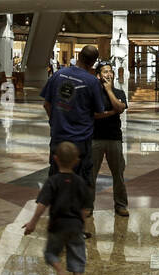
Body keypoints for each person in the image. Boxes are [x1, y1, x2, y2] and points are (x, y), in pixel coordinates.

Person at [22, 141, 93, 275]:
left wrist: (32, 223)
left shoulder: (52, 182)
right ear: (77, 161)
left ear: (55, 159)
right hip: (75, 227)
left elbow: (42, 205)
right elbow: (85, 209)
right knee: (77, 255)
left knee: (50, 253)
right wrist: (82, 226)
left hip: (57, 226)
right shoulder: (80, 183)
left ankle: (60, 272)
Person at [40, 44, 114, 188]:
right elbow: (98, 112)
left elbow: (46, 105)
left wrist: (55, 123)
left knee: (56, 180)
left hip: (58, 138)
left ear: (78, 56)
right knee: (81, 183)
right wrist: (113, 112)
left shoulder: (57, 75)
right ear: (93, 63)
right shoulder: (92, 82)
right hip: (81, 141)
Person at [91, 63, 130, 217]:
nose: (109, 74)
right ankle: (88, 206)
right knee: (90, 175)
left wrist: (109, 91)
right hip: (95, 138)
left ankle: (120, 205)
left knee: (118, 174)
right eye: (105, 72)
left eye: (110, 72)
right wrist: (113, 111)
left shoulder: (119, 92)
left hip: (114, 138)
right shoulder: (93, 93)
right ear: (98, 76)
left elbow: (121, 107)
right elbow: (93, 114)